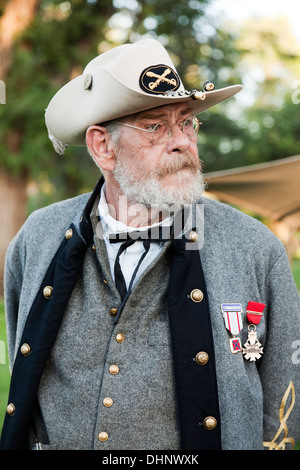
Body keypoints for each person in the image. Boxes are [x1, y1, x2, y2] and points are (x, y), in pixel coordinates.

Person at [1, 39, 300, 451]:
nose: (181, 141)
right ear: (102, 147)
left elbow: (285, 405)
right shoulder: (39, 237)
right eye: (156, 126)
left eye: (186, 122)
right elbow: (22, 370)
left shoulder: (254, 247)